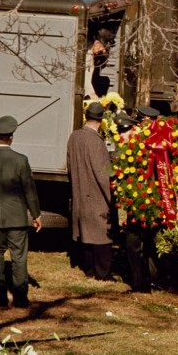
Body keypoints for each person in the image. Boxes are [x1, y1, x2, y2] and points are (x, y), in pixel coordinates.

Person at [0, 115, 42, 308]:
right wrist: (36, 214)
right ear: (11, 137)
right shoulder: (21, 160)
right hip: (17, 217)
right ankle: (20, 296)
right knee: (19, 256)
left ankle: (0, 293)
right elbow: (29, 190)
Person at [67, 102, 114, 281]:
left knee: (85, 231)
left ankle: (88, 269)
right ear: (101, 120)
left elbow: (70, 165)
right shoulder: (96, 141)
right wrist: (112, 195)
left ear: (86, 116)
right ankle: (103, 273)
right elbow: (103, 174)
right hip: (96, 194)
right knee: (101, 233)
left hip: (80, 191)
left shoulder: (74, 136)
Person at [85, 28, 115, 99]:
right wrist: (91, 92)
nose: (103, 51)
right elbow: (85, 76)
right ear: (96, 42)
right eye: (103, 47)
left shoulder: (92, 56)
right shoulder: (87, 55)